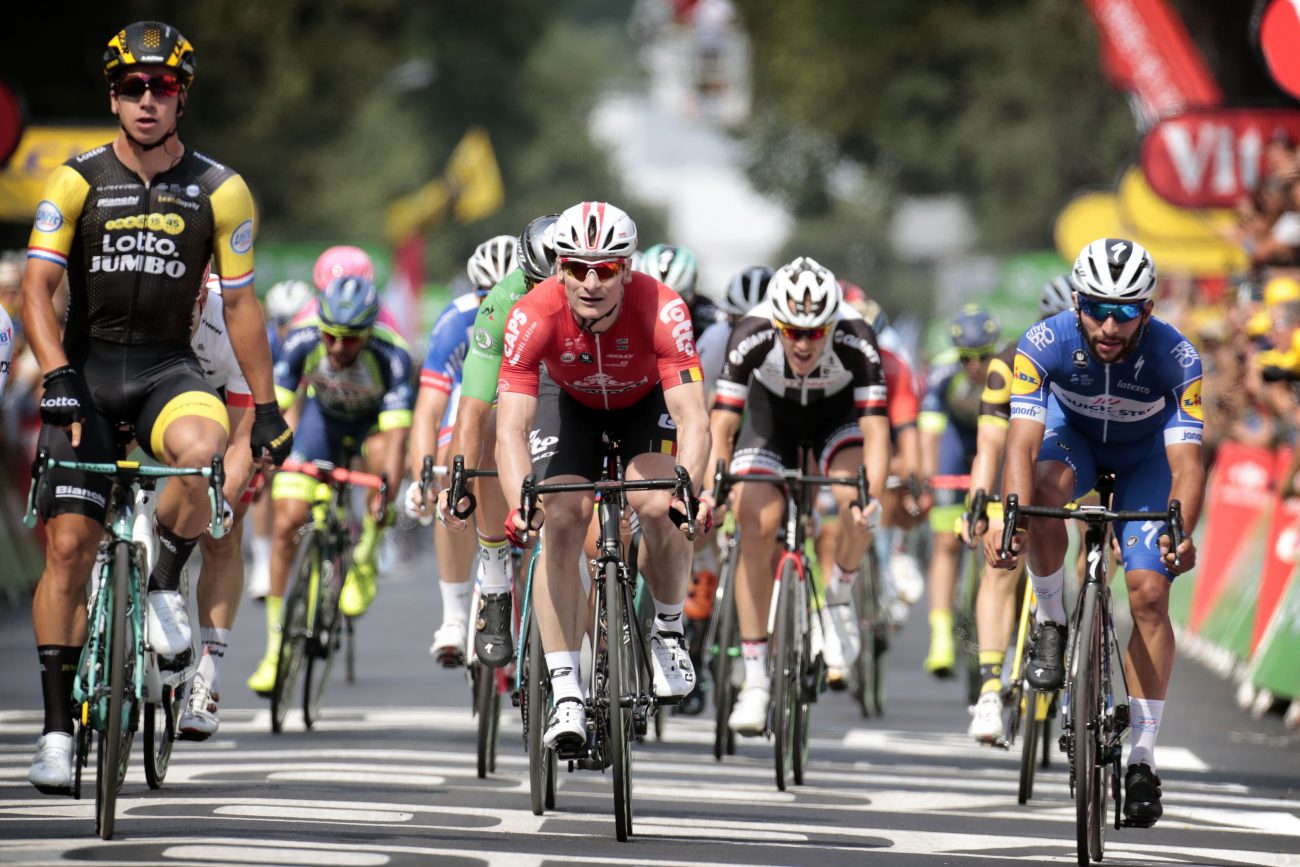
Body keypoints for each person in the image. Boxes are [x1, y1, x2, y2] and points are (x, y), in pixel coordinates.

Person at [23, 21, 292, 794]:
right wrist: (55, 372)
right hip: (89, 373)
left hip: (167, 371)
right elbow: (38, 290)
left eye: (161, 87)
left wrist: (267, 404)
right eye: (132, 87)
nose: (146, 100)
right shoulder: (74, 180)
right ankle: (52, 732)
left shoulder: (221, 189)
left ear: (182, 96)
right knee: (70, 549)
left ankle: (165, 580)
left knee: (207, 451)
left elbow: (239, 307)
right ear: (113, 95)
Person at [988, 238, 1203, 826]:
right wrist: (1010, 515)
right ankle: (1053, 621)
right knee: (1043, 489)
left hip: (1145, 463)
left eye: (1127, 310)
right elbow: (1022, 444)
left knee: (1150, 595)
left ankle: (1142, 756)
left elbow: (1187, 463)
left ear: (1149, 312)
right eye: (1098, 309)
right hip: (1072, 443)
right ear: (1077, 302)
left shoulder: (1178, 357)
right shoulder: (1043, 343)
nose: (1110, 324)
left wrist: (1180, 530)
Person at [496, 201, 711, 749]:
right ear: (559, 267)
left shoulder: (664, 310)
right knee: (561, 518)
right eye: (576, 267)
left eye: (607, 269)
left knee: (660, 505)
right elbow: (511, 430)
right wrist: (523, 503)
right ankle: (566, 690)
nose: (591, 281)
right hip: (567, 403)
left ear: (628, 270)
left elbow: (693, 418)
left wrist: (692, 485)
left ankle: (666, 629)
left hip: (643, 404)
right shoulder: (532, 315)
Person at [705, 257, 891, 731]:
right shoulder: (751, 331)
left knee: (854, 499)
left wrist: (872, 496)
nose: (803, 343)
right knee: (756, 524)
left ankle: (839, 597)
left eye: (815, 332)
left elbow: (875, 431)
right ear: (776, 323)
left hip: (836, 419)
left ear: (832, 323)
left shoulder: (857, 337)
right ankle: (754, 681)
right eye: (792, 332)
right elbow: (723, 424)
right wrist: (714, 489)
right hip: (771, 422)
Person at [246, 275, 411, 694]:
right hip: (323, 424)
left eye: (351, 339)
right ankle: (276, 649)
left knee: (380, 471)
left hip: (371, 425)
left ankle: (366, 557)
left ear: (369, 332)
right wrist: (260, 463)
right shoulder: (301, 342)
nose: (338, 347)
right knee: (288, 523)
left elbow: (395, 443)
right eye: (331, 337)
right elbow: (275, 412)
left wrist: (384, 492)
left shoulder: (393, 357)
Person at [423, 216, 558, 669]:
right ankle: (496, 576)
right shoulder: (498, 303)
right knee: (488, 430)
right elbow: (470, 406)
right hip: (517, 389)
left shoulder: (597, 293)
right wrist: (456, 479)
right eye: (537, 285)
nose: (549, 297)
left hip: (572, 391)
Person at [962, 276, 1076, 744]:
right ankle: (990, 689)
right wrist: (979, 497)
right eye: (1053, 323)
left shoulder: (1093, 361)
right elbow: (991, 441)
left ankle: (1088, 659)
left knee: (1092, 541)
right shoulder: (1010, 360)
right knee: (1000, 565)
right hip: (1019, 458)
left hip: (1068, 460)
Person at [404, 234, 519, 667]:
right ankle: (454, 615)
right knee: (454, 469)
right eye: (485, 294)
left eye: (504, 292)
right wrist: (423, 476)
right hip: (470, 398)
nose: (496, 303)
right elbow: (428, 410)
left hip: (522, 397)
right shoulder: (457, 321)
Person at [176, 273, 261, 738]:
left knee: (222, 530)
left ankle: (207, 678)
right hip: (154, 398)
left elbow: (244, 436)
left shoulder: (230, 314)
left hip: (227, 406)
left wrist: (220, 502)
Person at [919, 304, 1001, 678]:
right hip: (955, 443)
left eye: (983, 356)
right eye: (967, 357)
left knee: (1001, 537)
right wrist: (925, 479)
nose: (975, 365)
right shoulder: (944, 373)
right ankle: (941, 637)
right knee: (945, 541)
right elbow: (929, 432)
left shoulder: (1007, 370)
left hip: (993, 442)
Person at [244, 278, 318, 602]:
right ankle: (262, 559)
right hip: (275, 404)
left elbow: (302, 402)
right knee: (263, 471)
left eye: (294, 321)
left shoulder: (313, 340)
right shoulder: (271, 340)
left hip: (306, 407)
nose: (289, 328)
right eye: (282, 322)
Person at [638, 242, 723, 336]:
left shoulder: (713, 317)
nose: (665, 312)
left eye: (676, 302)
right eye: (654, 300)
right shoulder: (627, 315)